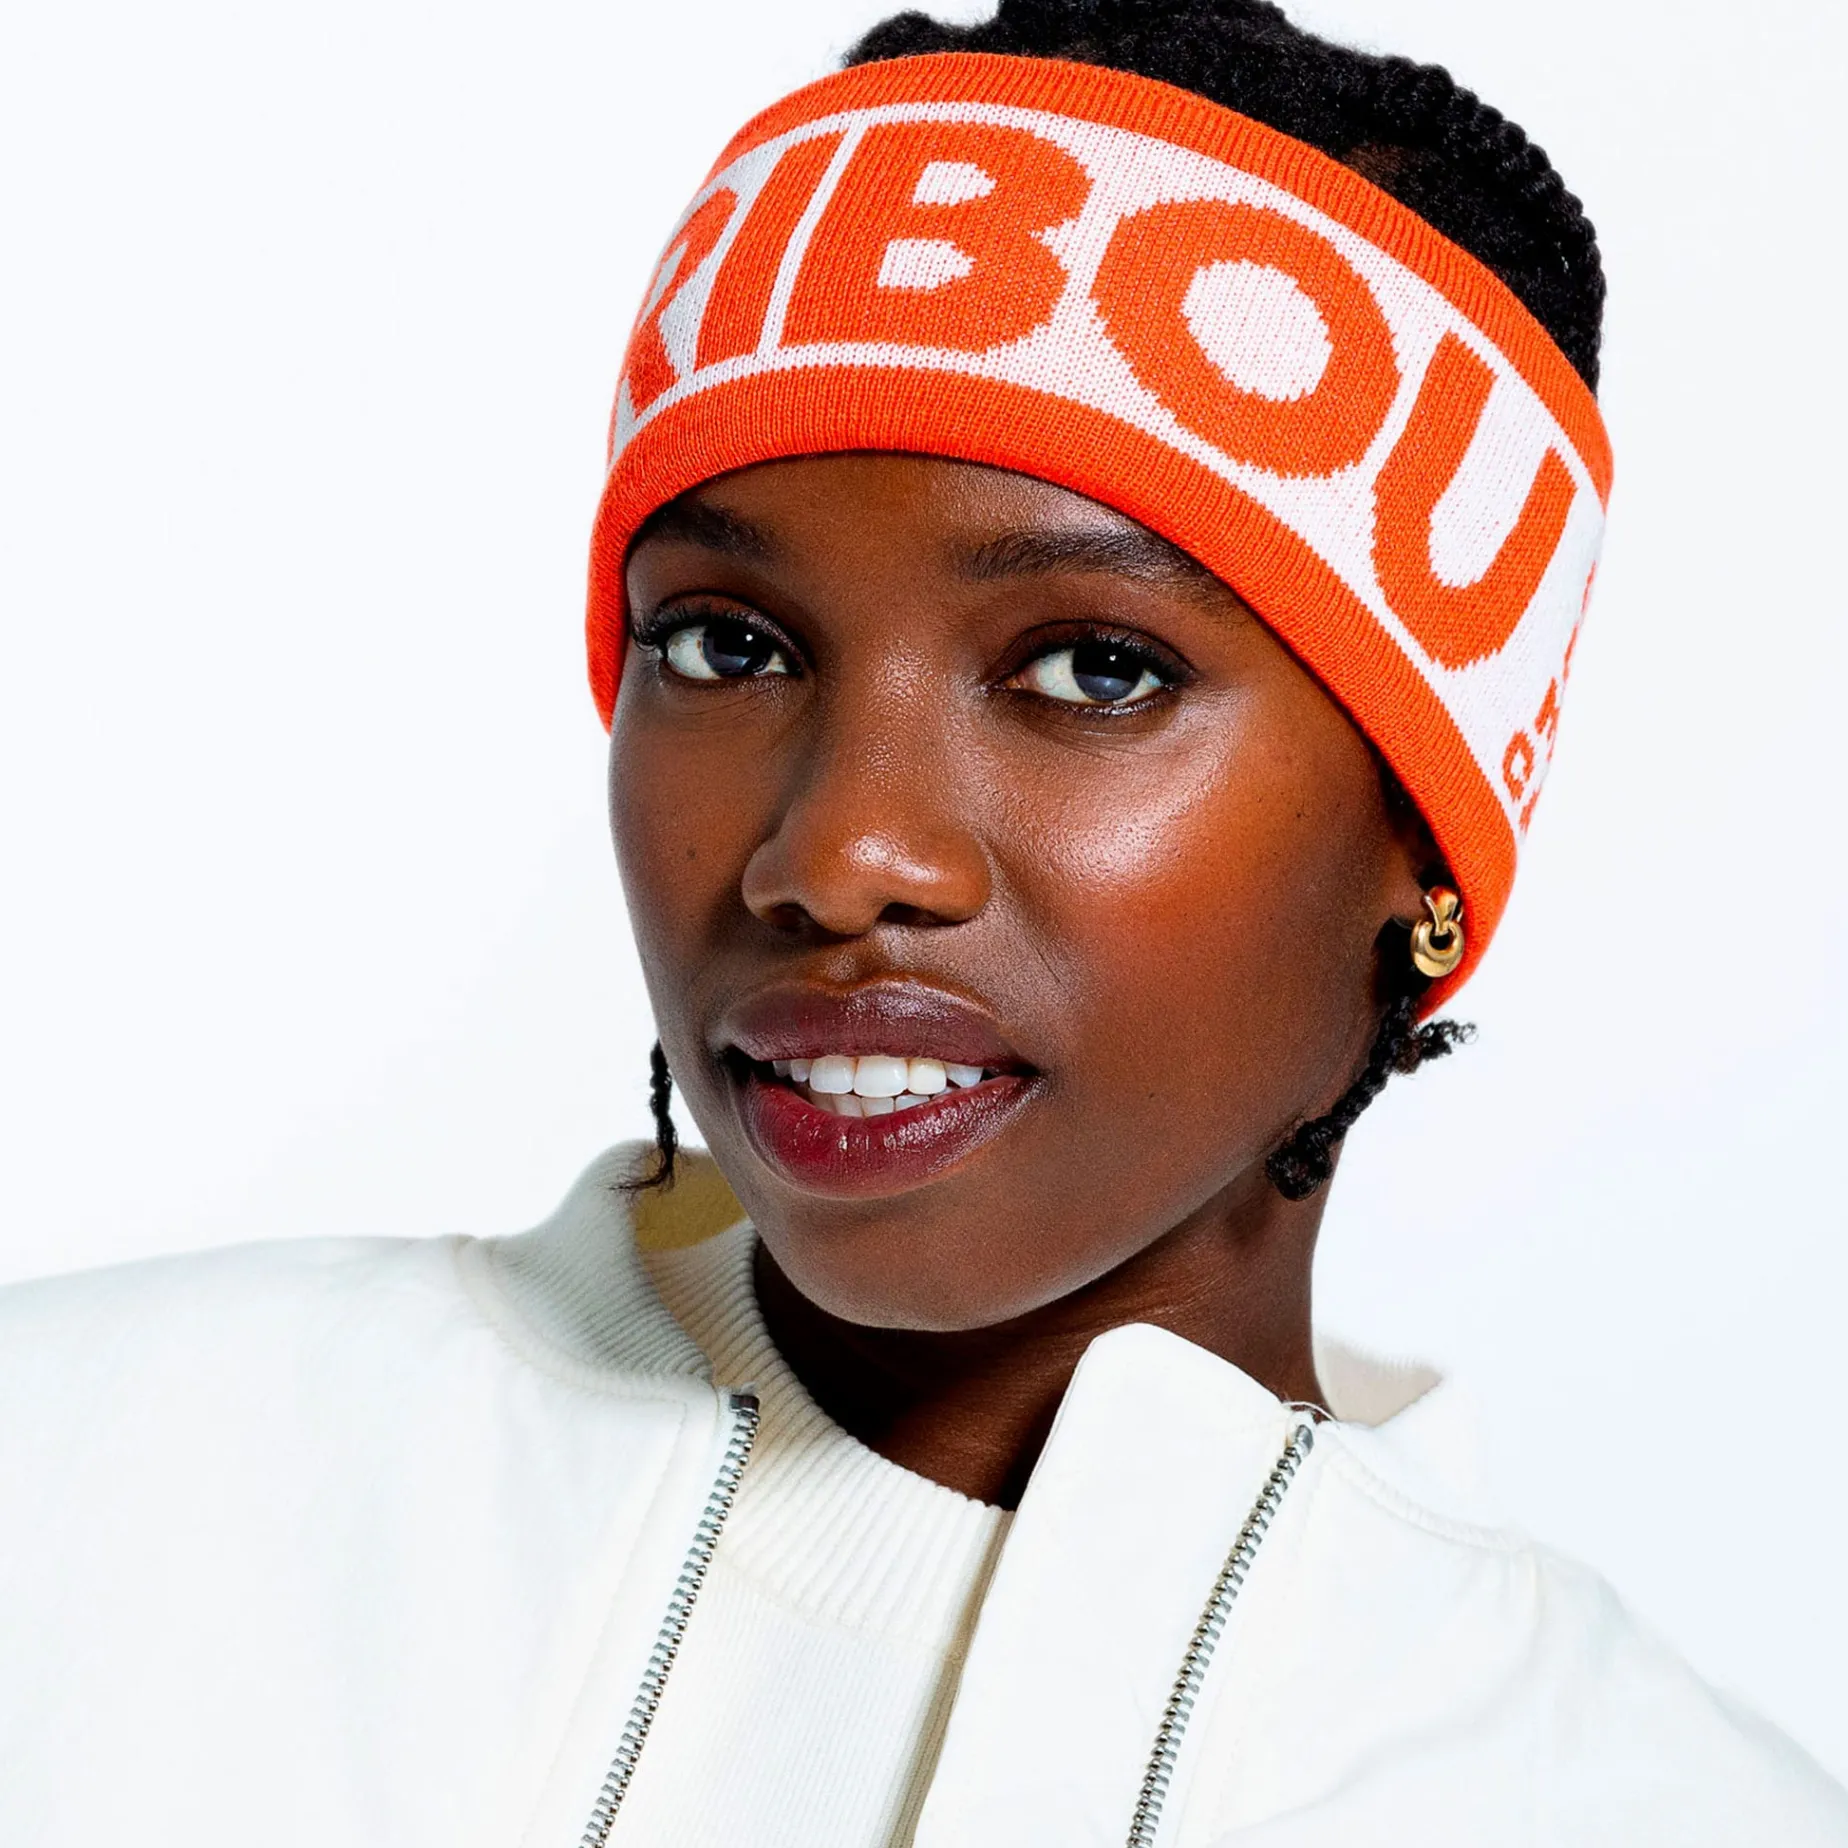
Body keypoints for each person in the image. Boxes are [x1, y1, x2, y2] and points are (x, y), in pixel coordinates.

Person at [2, 1, 1843, 1842]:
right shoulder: (78, 1488)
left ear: (1425, 846)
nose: (838, 852)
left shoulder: (1639, 1808)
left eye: (1096, 669)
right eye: (726, 644)